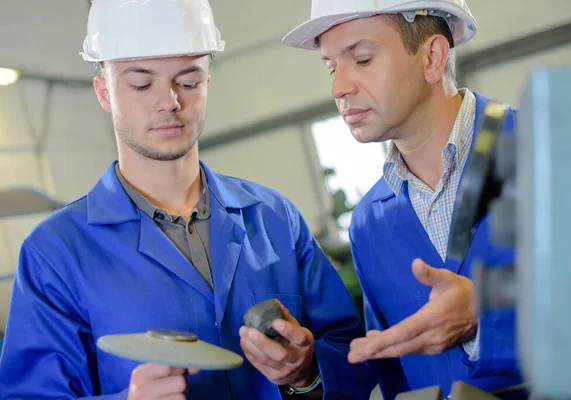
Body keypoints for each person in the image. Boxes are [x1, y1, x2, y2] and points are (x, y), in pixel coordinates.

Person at [0, 1, 375, 399]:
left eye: (189, 81)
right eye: (142, 84)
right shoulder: (54, 253)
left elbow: (356, 356)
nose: (170, 102)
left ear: (208, 83)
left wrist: (309, 371)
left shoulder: (274, 218)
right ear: (104, 92)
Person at [283, 0, 523, 398]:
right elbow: (392, 376)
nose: (338, 87)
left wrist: (489, 311)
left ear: (431, 57)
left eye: (361, 59)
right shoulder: (369, 224)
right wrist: (304, 371)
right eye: (331, 66)